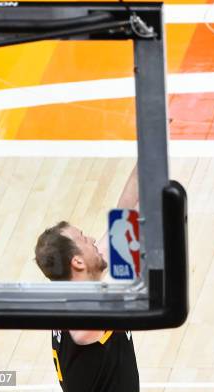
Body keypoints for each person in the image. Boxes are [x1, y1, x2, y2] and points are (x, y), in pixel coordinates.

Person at [34, 165, 140, 392]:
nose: (92, 239)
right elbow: (81, 334)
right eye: (83, 238)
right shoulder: (81, 315)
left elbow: (125, 215)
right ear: (78, 262)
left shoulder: (77, 292)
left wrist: (153, 141)